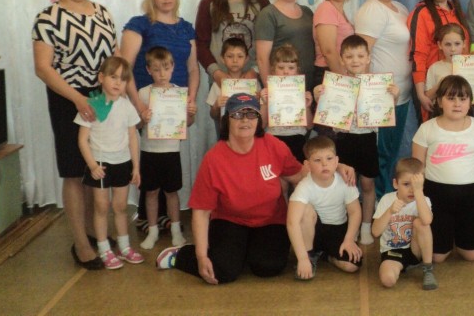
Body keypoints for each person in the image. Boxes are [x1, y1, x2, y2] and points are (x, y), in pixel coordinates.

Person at [156, 94, 352, 284]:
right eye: (238, 114)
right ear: (227, 120)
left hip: (271, 219)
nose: (245, 120)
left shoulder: (273, 146)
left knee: (269, 267)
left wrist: (335, 167)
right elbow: (201, 212)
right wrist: (200, 256)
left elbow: (302, 174)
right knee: (222, 272)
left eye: (251, 114)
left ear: (258, 119)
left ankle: (240, 253)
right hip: (230, 220)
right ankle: (181, 254)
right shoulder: (213, 159)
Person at [33, 0, 119, 269]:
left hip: (100, 96)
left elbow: (114, 57)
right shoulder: (48, 17)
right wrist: (78, 99)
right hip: (67, 98)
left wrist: (115, 94)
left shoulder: (103, 12)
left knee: (96, 166)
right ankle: (81, 244)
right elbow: (43, 68)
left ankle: (96, 233)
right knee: (73, 170)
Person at [121, 0, 199, 233]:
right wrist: (139, 106)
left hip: (176, 107)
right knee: (150, 159)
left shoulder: (186, 28)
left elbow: (193, 69)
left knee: (168, 159)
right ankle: (148, 217)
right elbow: (125, 67)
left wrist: (191, 99)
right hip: (146, 104)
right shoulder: (139, 24)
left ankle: (165, 217)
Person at [313, 35, 397, 245]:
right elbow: (323, 106)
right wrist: (317, 95)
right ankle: (344, 226)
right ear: (342, 60)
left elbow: (387, 108)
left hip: (367, 139)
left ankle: (366, 226)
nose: (355, 60)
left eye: (360, 56)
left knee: (367, 184)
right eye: (349, 56)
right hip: (342, 139)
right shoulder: (335, 84)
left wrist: (394, 95)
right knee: (344, 184)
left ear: (368, 58)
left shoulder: (378, 84)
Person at [411, 75, 474, 263]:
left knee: (471, 255)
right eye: (451, 98)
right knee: (437, 257)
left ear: (470, 102)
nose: (457, 104)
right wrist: (418, 205)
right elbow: (417, 170)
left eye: (463, 98)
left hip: (472, 197)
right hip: (437, 196)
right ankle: (433, 233)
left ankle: (468, 231)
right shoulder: (426, 129)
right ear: (439, 101)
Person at [75, 57, 143, 270]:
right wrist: (92, 165)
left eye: (123, 79)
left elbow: (133, 137)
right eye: (113, 77)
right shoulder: (91, 105)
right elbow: (82, 140)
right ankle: (104, 248)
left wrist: (136, 166)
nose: (117, 82)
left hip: (122, 162)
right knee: (101, 207)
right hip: (101, 164)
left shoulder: (127, 106)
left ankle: (124, 246)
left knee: (121, 207)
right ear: (101, 78)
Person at [354, 0, 413, 197]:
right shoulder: (372, 10)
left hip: (401, 93)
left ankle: (387, 199)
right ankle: (378, 201)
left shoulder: (399, 8)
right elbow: (361, 56)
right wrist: (370, 97)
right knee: (381, 154)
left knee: (391, 152)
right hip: (382, 97)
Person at [137, 47, 191, 250]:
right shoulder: (143, 93)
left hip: (171, 151)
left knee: (172, 192)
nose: (162, 74)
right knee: (151, 192)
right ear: (148, 70)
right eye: (157, 69)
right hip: (149, 151)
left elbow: (187, 123)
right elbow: (136, 125)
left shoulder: (178, 93)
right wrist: (143, 118)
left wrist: (190, 113)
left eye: (166, 68)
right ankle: (153, 231)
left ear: (173, 68)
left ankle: (176, 230)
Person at [287, 136, 363, 280]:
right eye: (317, 160)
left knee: (352, 265)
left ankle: (326, 255)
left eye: (329, 159)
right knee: (305, 210)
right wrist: (302, 258)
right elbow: (292, 222)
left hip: (337, 229)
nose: (324, 164)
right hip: (314, 231)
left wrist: (349, 240)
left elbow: (355, 212)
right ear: (307, 165)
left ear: (336, 161)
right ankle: (309, 254)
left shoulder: (345, 181)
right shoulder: (304, 187)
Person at [195, 0, 269, 85]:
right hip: (220, 80)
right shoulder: (209, 2)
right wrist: (216, 72)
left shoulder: (261, 2)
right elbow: (200, 44)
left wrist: (255, 70)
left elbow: (269, 42)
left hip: (252, 79)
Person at [408, 0, 470, 119]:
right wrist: (421, 94)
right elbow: (418, 55)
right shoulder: (421, 13)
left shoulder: (457, 12)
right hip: (432, 88)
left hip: (460, 89)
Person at [372, 157, 437, 290]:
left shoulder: (423, 200)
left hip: (415, 250)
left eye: (416, 185)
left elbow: (427, 221)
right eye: (406, 184)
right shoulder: (387, 200)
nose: (412, 190)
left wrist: (419, 192)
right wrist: (389, 211)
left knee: (421, 223)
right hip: (393, 251)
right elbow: (375, 232)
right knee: (387, 280)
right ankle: (398, 268)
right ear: (396, 184)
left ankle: (428, 269)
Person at [256, 0, 315, 90]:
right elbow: (262, 59)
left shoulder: (308, 12)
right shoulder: (268, 14)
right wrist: (271, 90)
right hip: (282, 87)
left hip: (309, 84)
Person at [261, 44, 314, 163]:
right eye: (281, 67)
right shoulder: (267, 93)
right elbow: (261, 126)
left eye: (291, 68)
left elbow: (310, 126)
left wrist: (306, 106)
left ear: (297, 70)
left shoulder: (302, 93)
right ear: (273, 69)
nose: (286, 72)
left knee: (297, 171)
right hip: (273, 138)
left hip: (297, 138)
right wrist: (264, 104)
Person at [312, 0, 355, 86]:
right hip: (330, 74)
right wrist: (344, 82)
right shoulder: (326, 9)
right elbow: (329, 52)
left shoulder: (339, 10)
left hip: (337, 73)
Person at [205, 38, 252, 135]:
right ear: (222, 59)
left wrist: (258, 98)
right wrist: (216, 105)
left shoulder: (252, 84)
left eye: (240, 56)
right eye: (230, 56)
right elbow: (213, 115)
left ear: (246, 59)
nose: (235, 60)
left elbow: (258, 110)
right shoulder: (218, 84)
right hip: (226, 132)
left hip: (248, 131)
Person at [424, 24, 467, 105]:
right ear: (440, 45)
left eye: (457, 44)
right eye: (448, 44)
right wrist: (440, 85)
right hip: (442, 111)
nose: (453, 49)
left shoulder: (472, 66)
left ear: (464, 43)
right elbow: (428, 97)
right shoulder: (435, 68)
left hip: (467, 110)